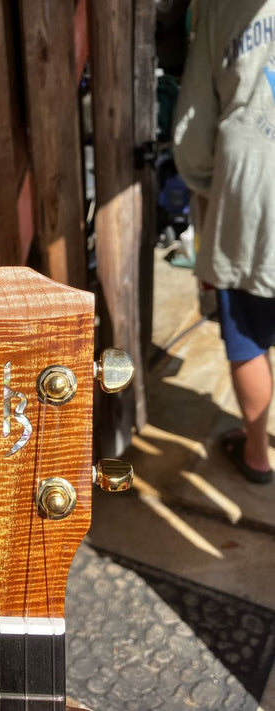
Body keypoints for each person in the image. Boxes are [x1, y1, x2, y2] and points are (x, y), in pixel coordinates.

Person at [172, 0, 275, 483]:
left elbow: (193, 123)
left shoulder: (220, 6)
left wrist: (213, 186)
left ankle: (257, 454)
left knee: (249, 337)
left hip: (253, 185)